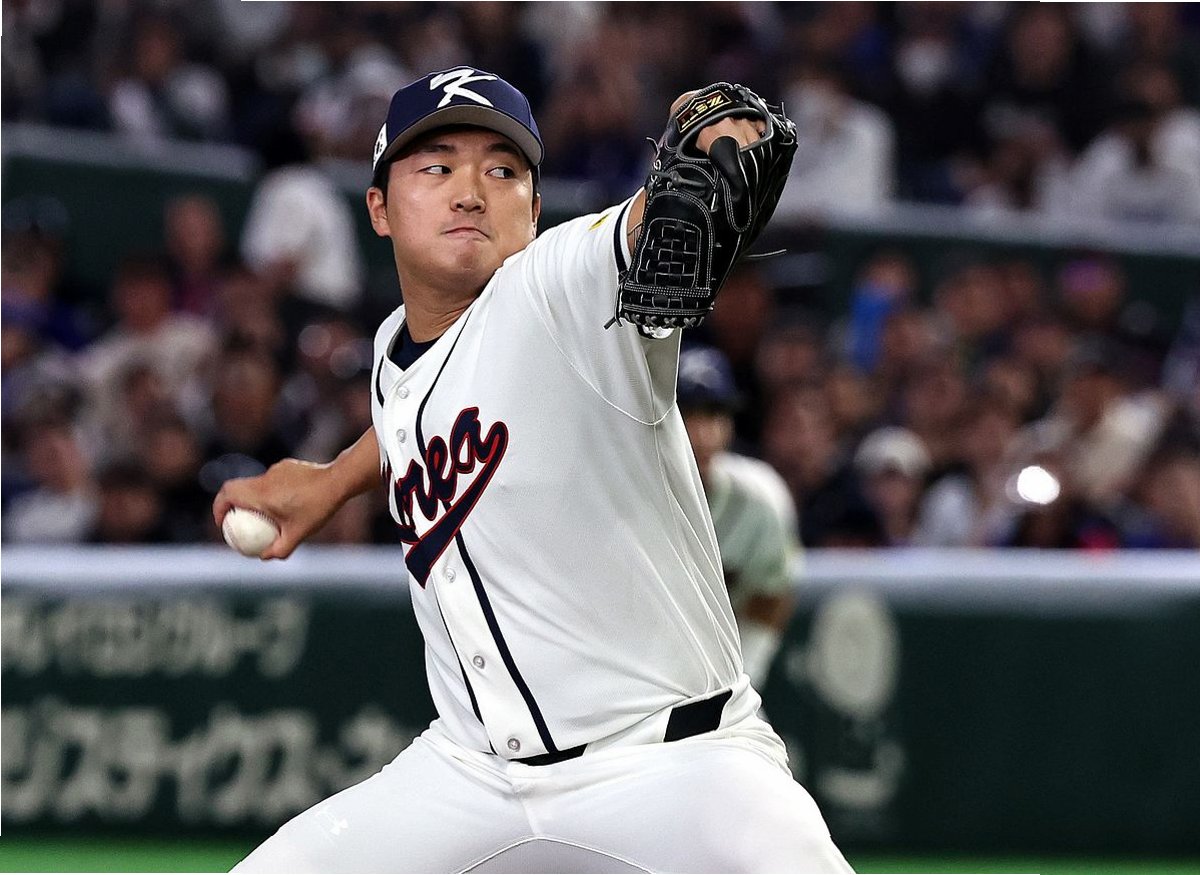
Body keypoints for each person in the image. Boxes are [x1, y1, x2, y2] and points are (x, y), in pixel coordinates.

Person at [216, 67, 850, 873]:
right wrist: (333, 479)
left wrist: (723, 130)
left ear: (536, 208)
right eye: (436, 166)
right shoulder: (391, 348)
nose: (470, 192)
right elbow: (426, 405)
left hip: (676, 768)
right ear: (379, 208)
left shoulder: (561, 285)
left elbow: (644, 224)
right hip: (469, 774)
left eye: (502, 170)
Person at [677, 346, 801, 689]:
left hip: (721, 674)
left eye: (714, 414)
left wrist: (744, 676)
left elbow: (772, 593)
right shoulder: (623, 494)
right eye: (686, 414)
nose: (702, 433)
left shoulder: (761, 498)